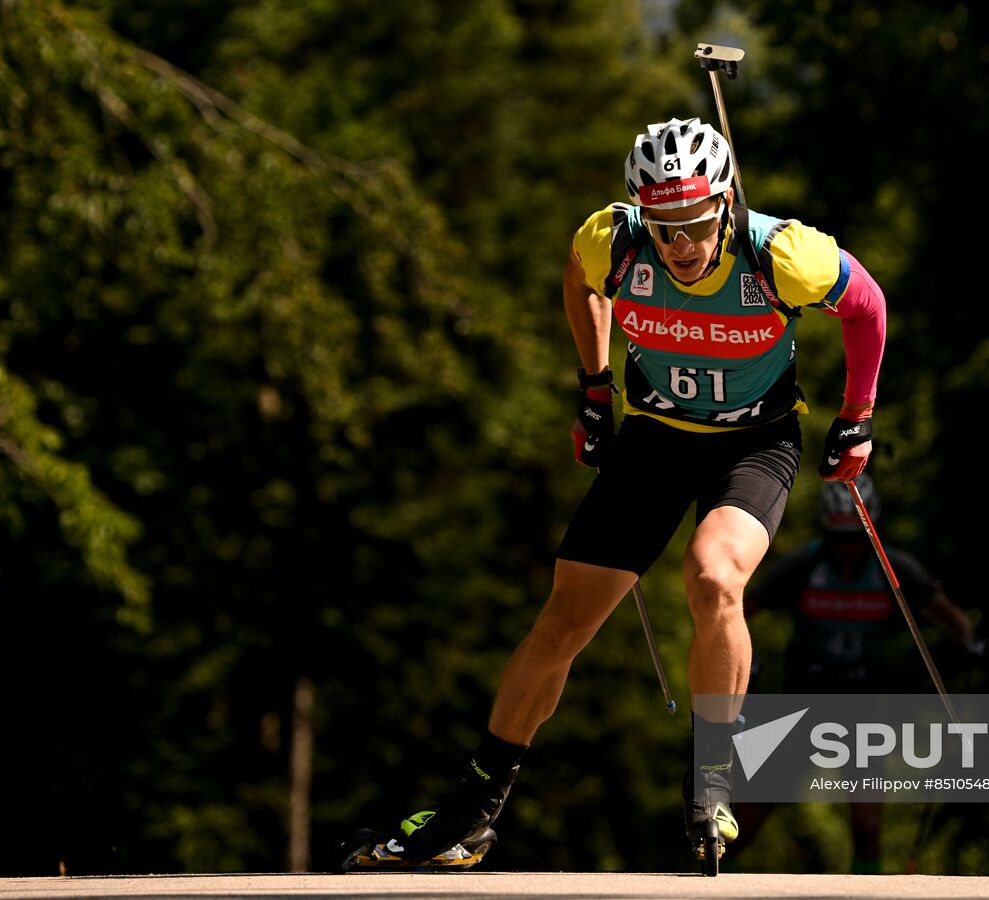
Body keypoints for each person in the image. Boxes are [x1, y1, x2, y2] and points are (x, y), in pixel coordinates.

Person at [344, 116, 887, 869]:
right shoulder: (613, 240)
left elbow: (867, 307)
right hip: (657, 439)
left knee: (713, 579)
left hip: (753, 443)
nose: (681, 245)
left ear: (727, 203)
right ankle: (472, 811)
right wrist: (594, 387)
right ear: (640, 213)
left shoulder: (783, 254)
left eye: (696, 224)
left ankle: (712, 783)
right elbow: (578, 276)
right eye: (663, 227)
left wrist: (856, 418)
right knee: (565, 617)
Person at [733, 473, 978, 873]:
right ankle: (705, 879)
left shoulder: (893, 569)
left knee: (867, 826)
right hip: (802, 706)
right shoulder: (805, 564)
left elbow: (949, 615)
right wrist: (745, 656)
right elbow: (740, 608)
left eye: (856, 540)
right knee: (753, 809)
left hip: (861, 712)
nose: (847, 550)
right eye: (838, 539)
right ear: (825, 531)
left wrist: (967, 644)